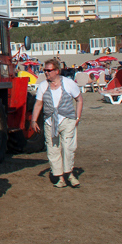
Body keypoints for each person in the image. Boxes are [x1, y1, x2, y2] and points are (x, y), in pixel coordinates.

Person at [30, 57, 83, 188]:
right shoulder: (43, 86)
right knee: (53, 150)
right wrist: (34, 120)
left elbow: (79, 99)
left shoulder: (69, 83)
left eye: (49, 70)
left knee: (68, 147)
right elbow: (38, 104)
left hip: (67, 119)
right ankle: (60, 178)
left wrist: (77, 118)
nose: (46, 73)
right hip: (50, 121)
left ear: (57, 71)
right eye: (45, 70)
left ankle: (69, 173)